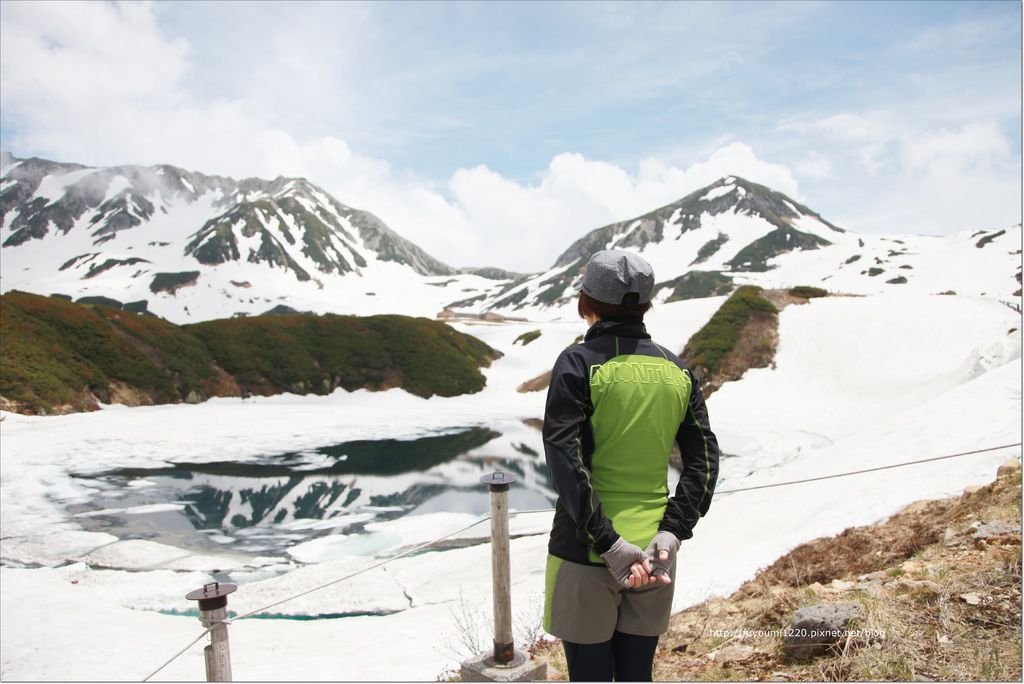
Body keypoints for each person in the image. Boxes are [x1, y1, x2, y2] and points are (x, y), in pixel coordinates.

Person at [542, 249, 720, 681]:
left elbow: (566, 460)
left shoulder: (578, 363)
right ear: (646, 304)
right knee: (637, 673)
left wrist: (610, 544)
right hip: (656, 555)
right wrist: (672, 532)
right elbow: (705, 460)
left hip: (587, 552)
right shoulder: (677, 371)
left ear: (586, 301)